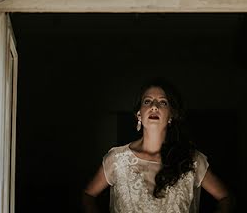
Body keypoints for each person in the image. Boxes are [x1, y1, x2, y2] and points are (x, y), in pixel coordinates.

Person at [82, 79, 235, 213]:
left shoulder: (191, 159)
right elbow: (88, 196)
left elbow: (226, 198)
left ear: (171, 116)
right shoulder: (117, 159)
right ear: (139, 114)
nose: (154, 106)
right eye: (147, 101)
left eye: (163, 102)